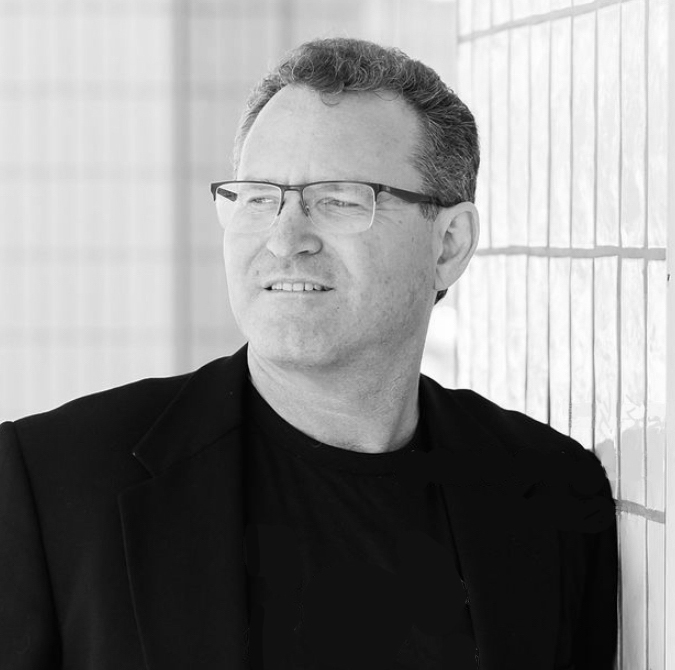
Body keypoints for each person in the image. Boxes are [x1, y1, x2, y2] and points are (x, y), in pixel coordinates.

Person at [0, 37, 617, 670]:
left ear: (449, 244)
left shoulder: (553, 494)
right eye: (258, 197)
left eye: (339, 199)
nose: (286, 239)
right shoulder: (51, 483)